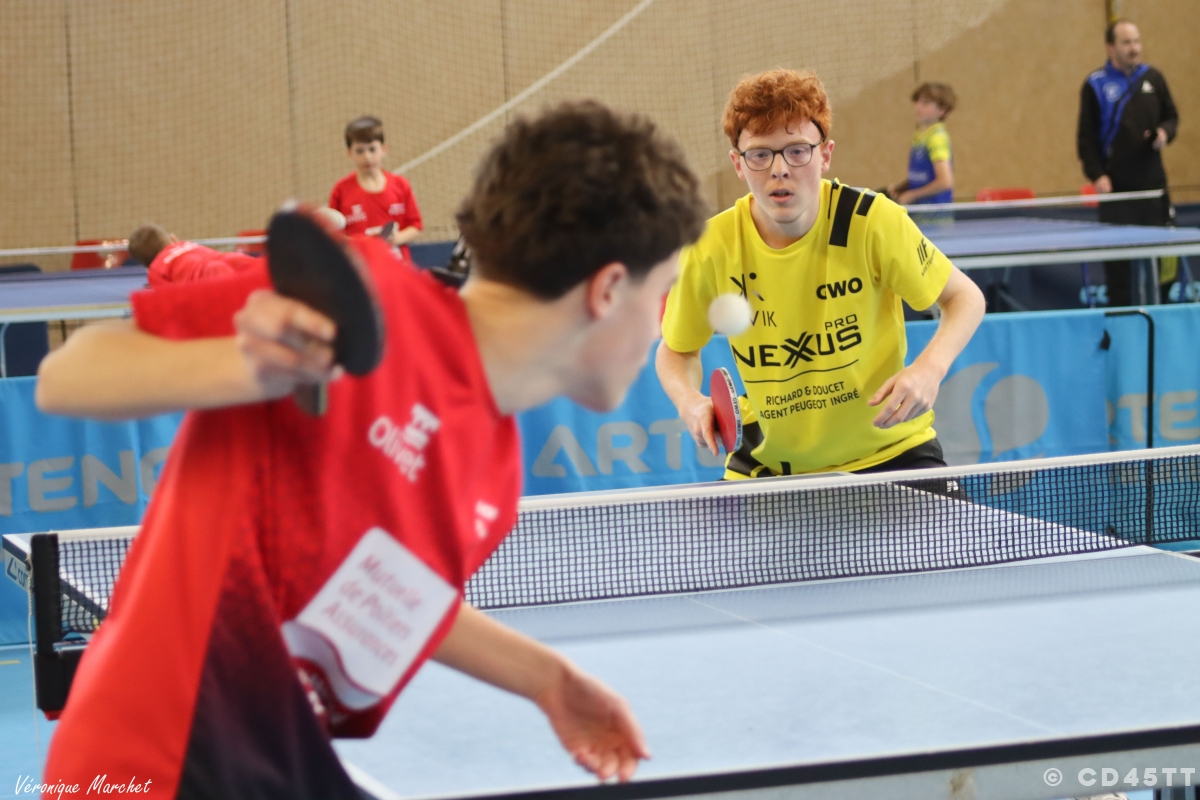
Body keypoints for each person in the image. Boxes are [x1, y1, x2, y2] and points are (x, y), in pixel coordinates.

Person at [35, 101, 707, 798]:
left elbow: (381, 593)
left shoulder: (496, 471)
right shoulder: (364, 296)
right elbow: (67, 374)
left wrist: (549, 681)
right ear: (607, 289)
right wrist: (251, 369)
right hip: (155, 761)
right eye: (661, 291)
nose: (659, 323)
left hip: (282, 757)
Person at [657, 69, 984, 479]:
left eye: (797, 151)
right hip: (769, 466)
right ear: (738, 164)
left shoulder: (871, 221)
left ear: (825, 155)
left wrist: (929, 369)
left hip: (892, 454)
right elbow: (676, 350)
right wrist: (689, 401)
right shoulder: (711, 246)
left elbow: (965, 297)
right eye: (760, 155)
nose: (779, 169)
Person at [1077, 19, 1179, 306]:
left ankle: (1162, 321)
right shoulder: (1095, 84)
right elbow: (1086, 139)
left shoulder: (1153, 78)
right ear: (1111, 48)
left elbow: (1171, 117)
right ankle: (1122, 324)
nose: (1134, 48)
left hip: (1154, 189)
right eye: (1126, 42)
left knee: (1164, 265)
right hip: (1117, 192)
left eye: (1136, 41)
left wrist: (1164, 133)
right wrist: (1097, 174)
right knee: (1120, 271)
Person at [328, 115, 424, 262]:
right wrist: (364, 244)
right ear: (349, 153)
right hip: (360, 266)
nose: (367, 156)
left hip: (397, 265)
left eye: (372, 149)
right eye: (360, 151)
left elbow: (416, 226)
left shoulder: (401, 185)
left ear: (384, 149)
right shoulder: (341, 190)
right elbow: (332, 235)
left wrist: (394, 239)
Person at [885, 82, 957, 206]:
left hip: (936, 213)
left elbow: (944, 182)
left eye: (926, 103)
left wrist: (912, 195)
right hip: (919, 211)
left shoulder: (937, 138)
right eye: (917, 101)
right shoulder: (919, 137)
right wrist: (904, 187)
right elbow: (924, 178)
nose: (918, 106)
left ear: (942, 110)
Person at [128, 222, 260, 287]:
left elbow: (167, 299)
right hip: (230, 258)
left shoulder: (156, 269)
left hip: (208, 273)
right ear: (174, 238)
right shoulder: (184, 244)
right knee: (261, 272)